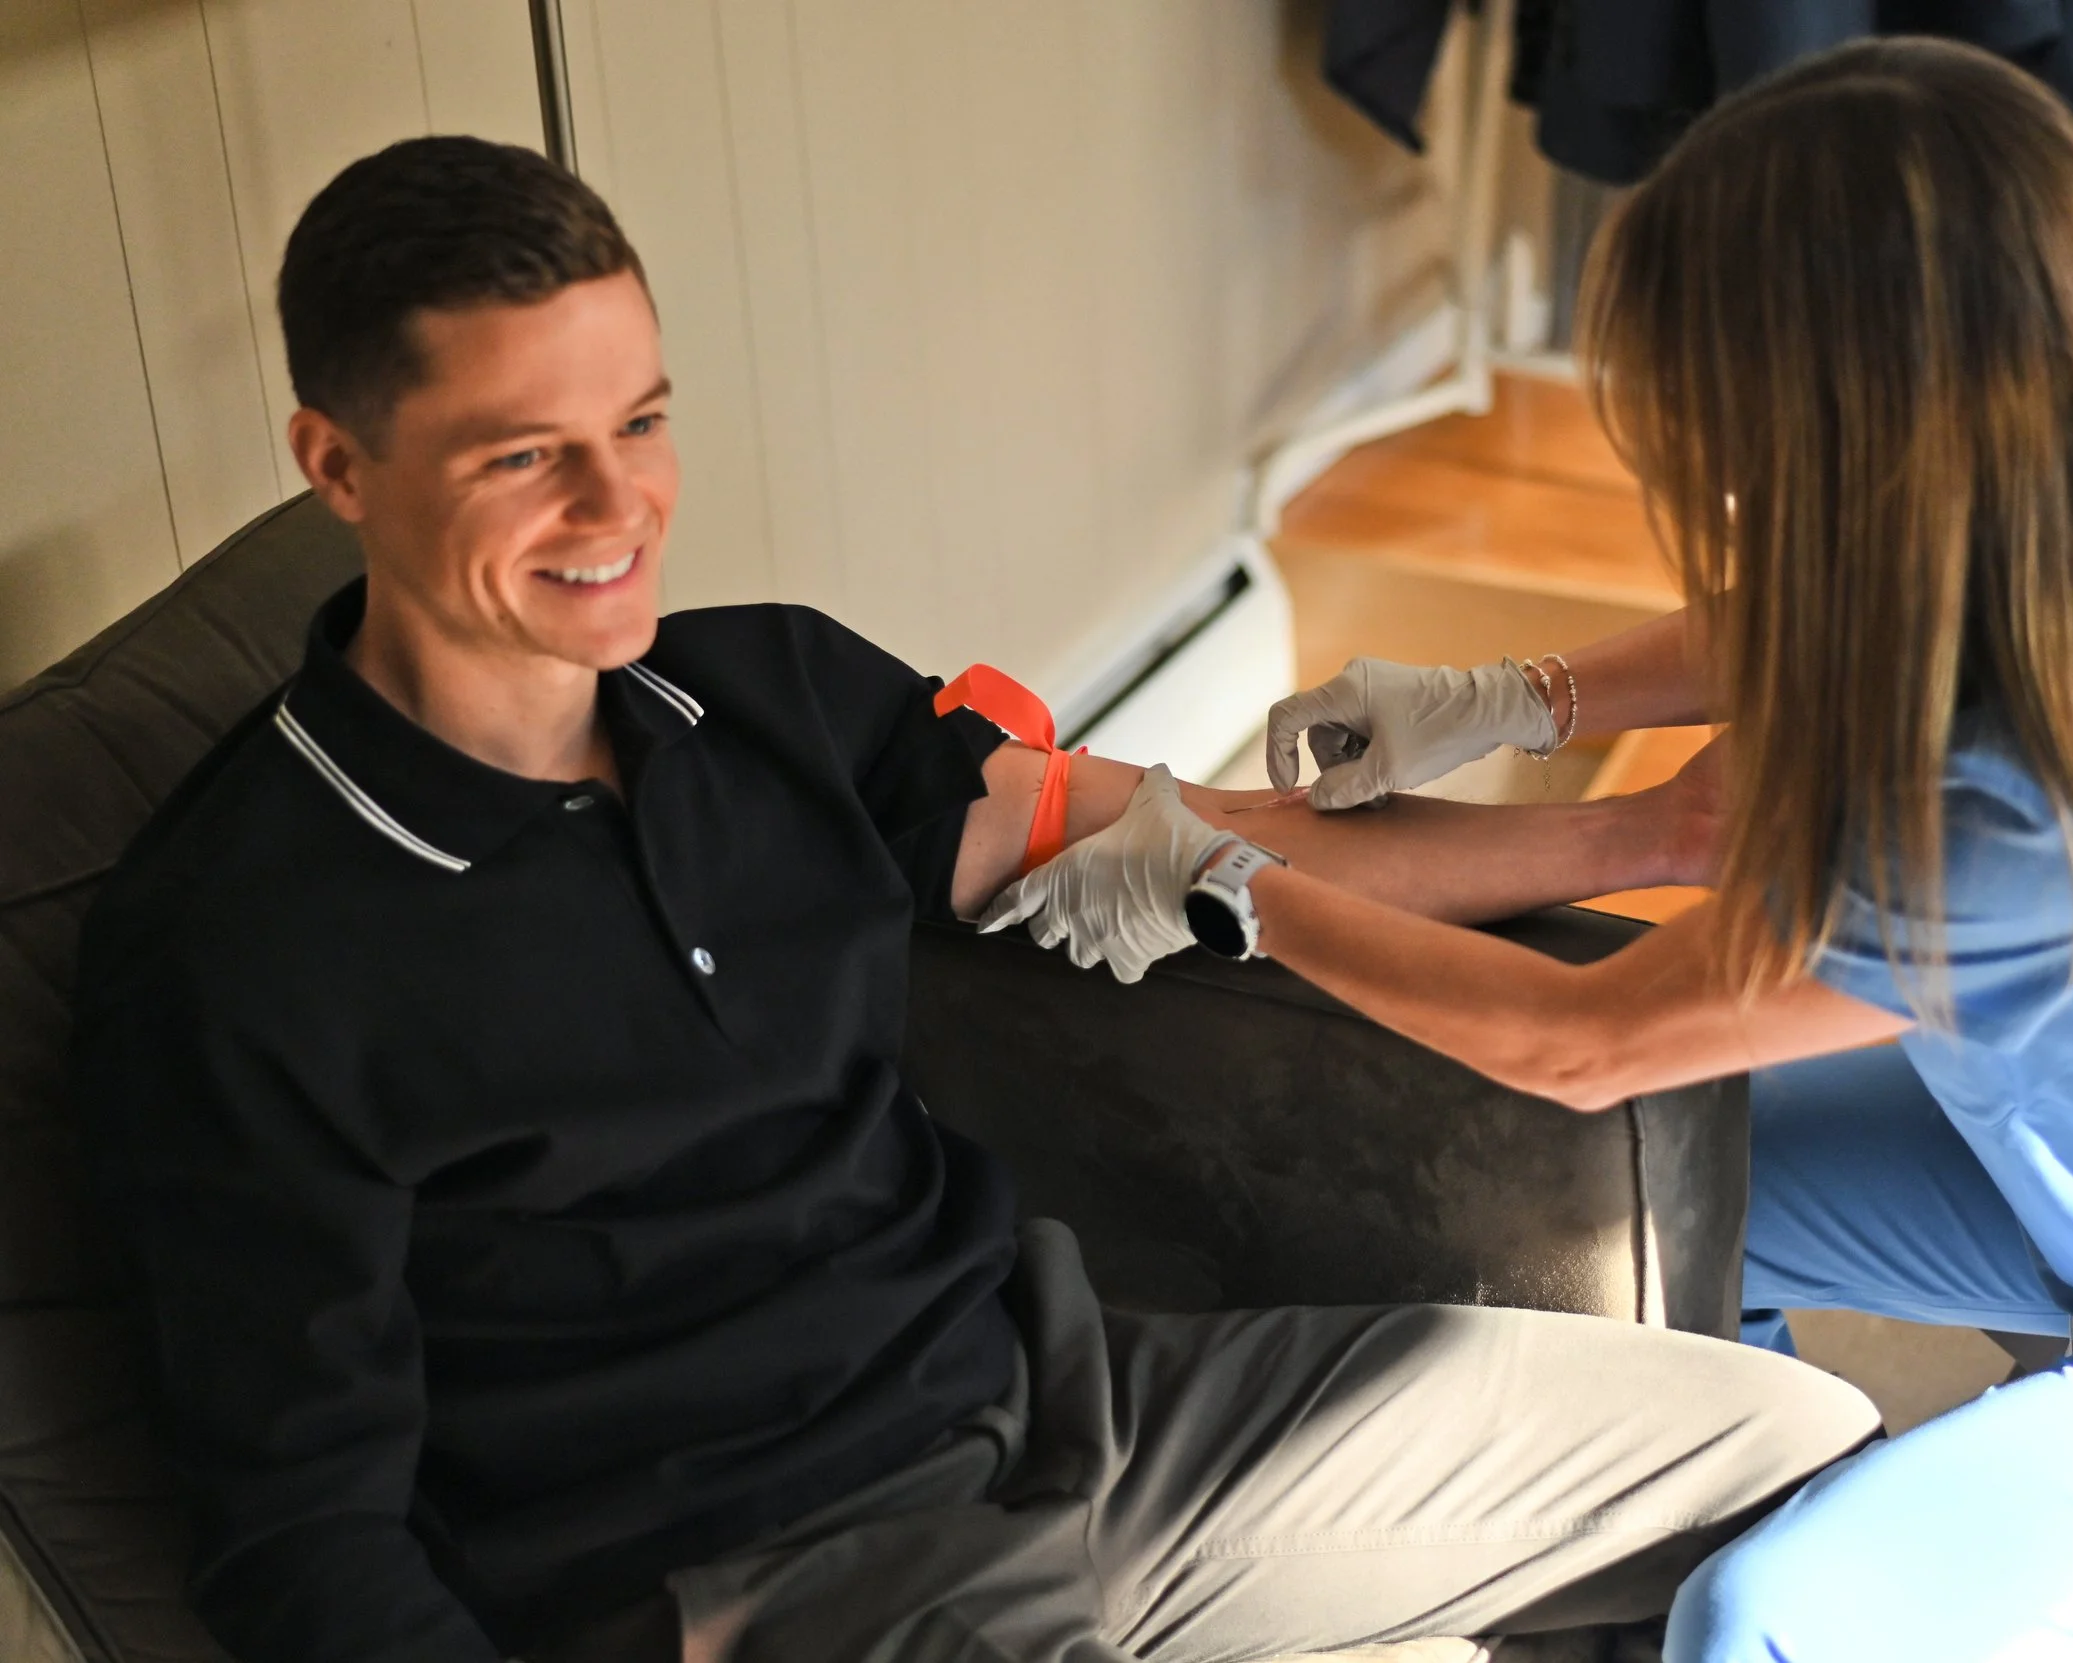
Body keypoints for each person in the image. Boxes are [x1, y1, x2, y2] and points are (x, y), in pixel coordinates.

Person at [67, 136, 1877, 1663]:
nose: (619, 500)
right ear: (337, 467)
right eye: (524, 453)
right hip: (767, 1584)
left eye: (641, 416)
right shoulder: (243, 951)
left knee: (1803, 1468)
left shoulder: (757, 694)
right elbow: (303, 1540)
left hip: (1077, 1407)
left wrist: (1620, 834)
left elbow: (1184, 838)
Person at [985, 39, 2073, 1663]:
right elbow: (1866, 599)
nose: (1717, 477)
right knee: (1685, 1196)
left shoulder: (2011, 832)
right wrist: (1517, 694)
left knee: (1763, 1618)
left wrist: (1230, 892)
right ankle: (1739, 1486)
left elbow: (1580, 1039)